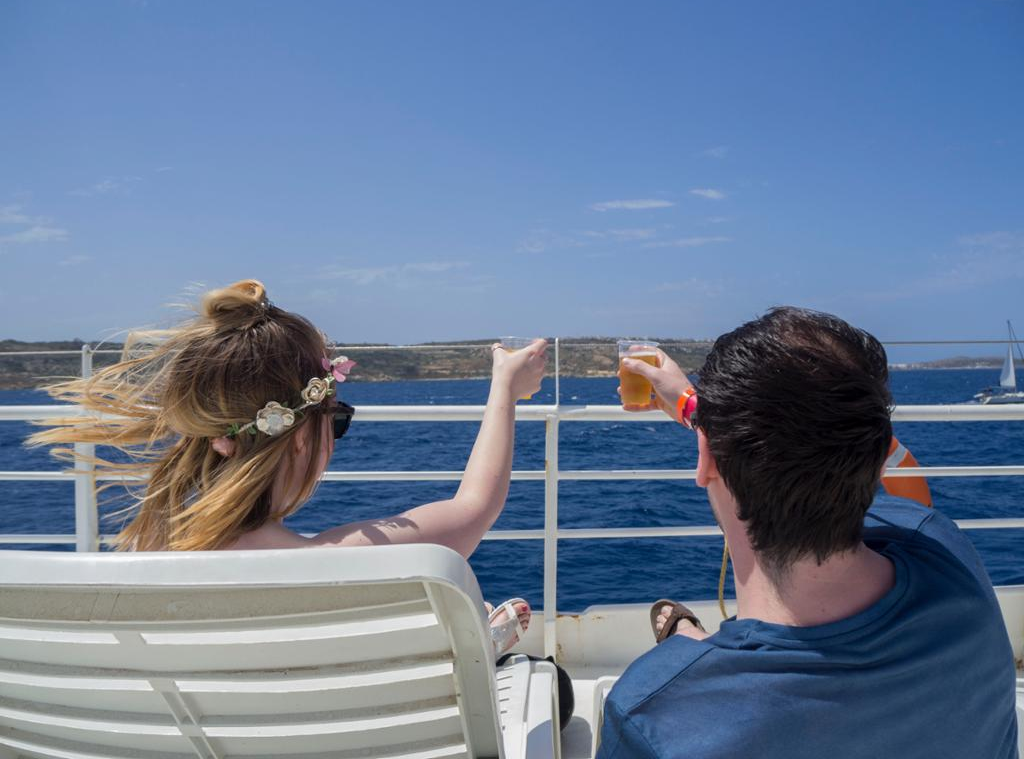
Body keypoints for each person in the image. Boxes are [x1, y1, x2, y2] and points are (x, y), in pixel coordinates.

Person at [29, 279, 545, 654]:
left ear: (214, 436)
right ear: (301, 435)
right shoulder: (344, 560)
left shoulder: (147, 560)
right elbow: (475, 505)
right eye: (337, 421)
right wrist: (505, 389)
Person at [598, 307, 1017, 758]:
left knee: (685, 654)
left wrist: (697, 412)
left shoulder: (652, 717)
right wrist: (699, 416)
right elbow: (890, 465)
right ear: (872, 452)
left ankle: (688, 637)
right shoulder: (945, 551)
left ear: (707, 461)